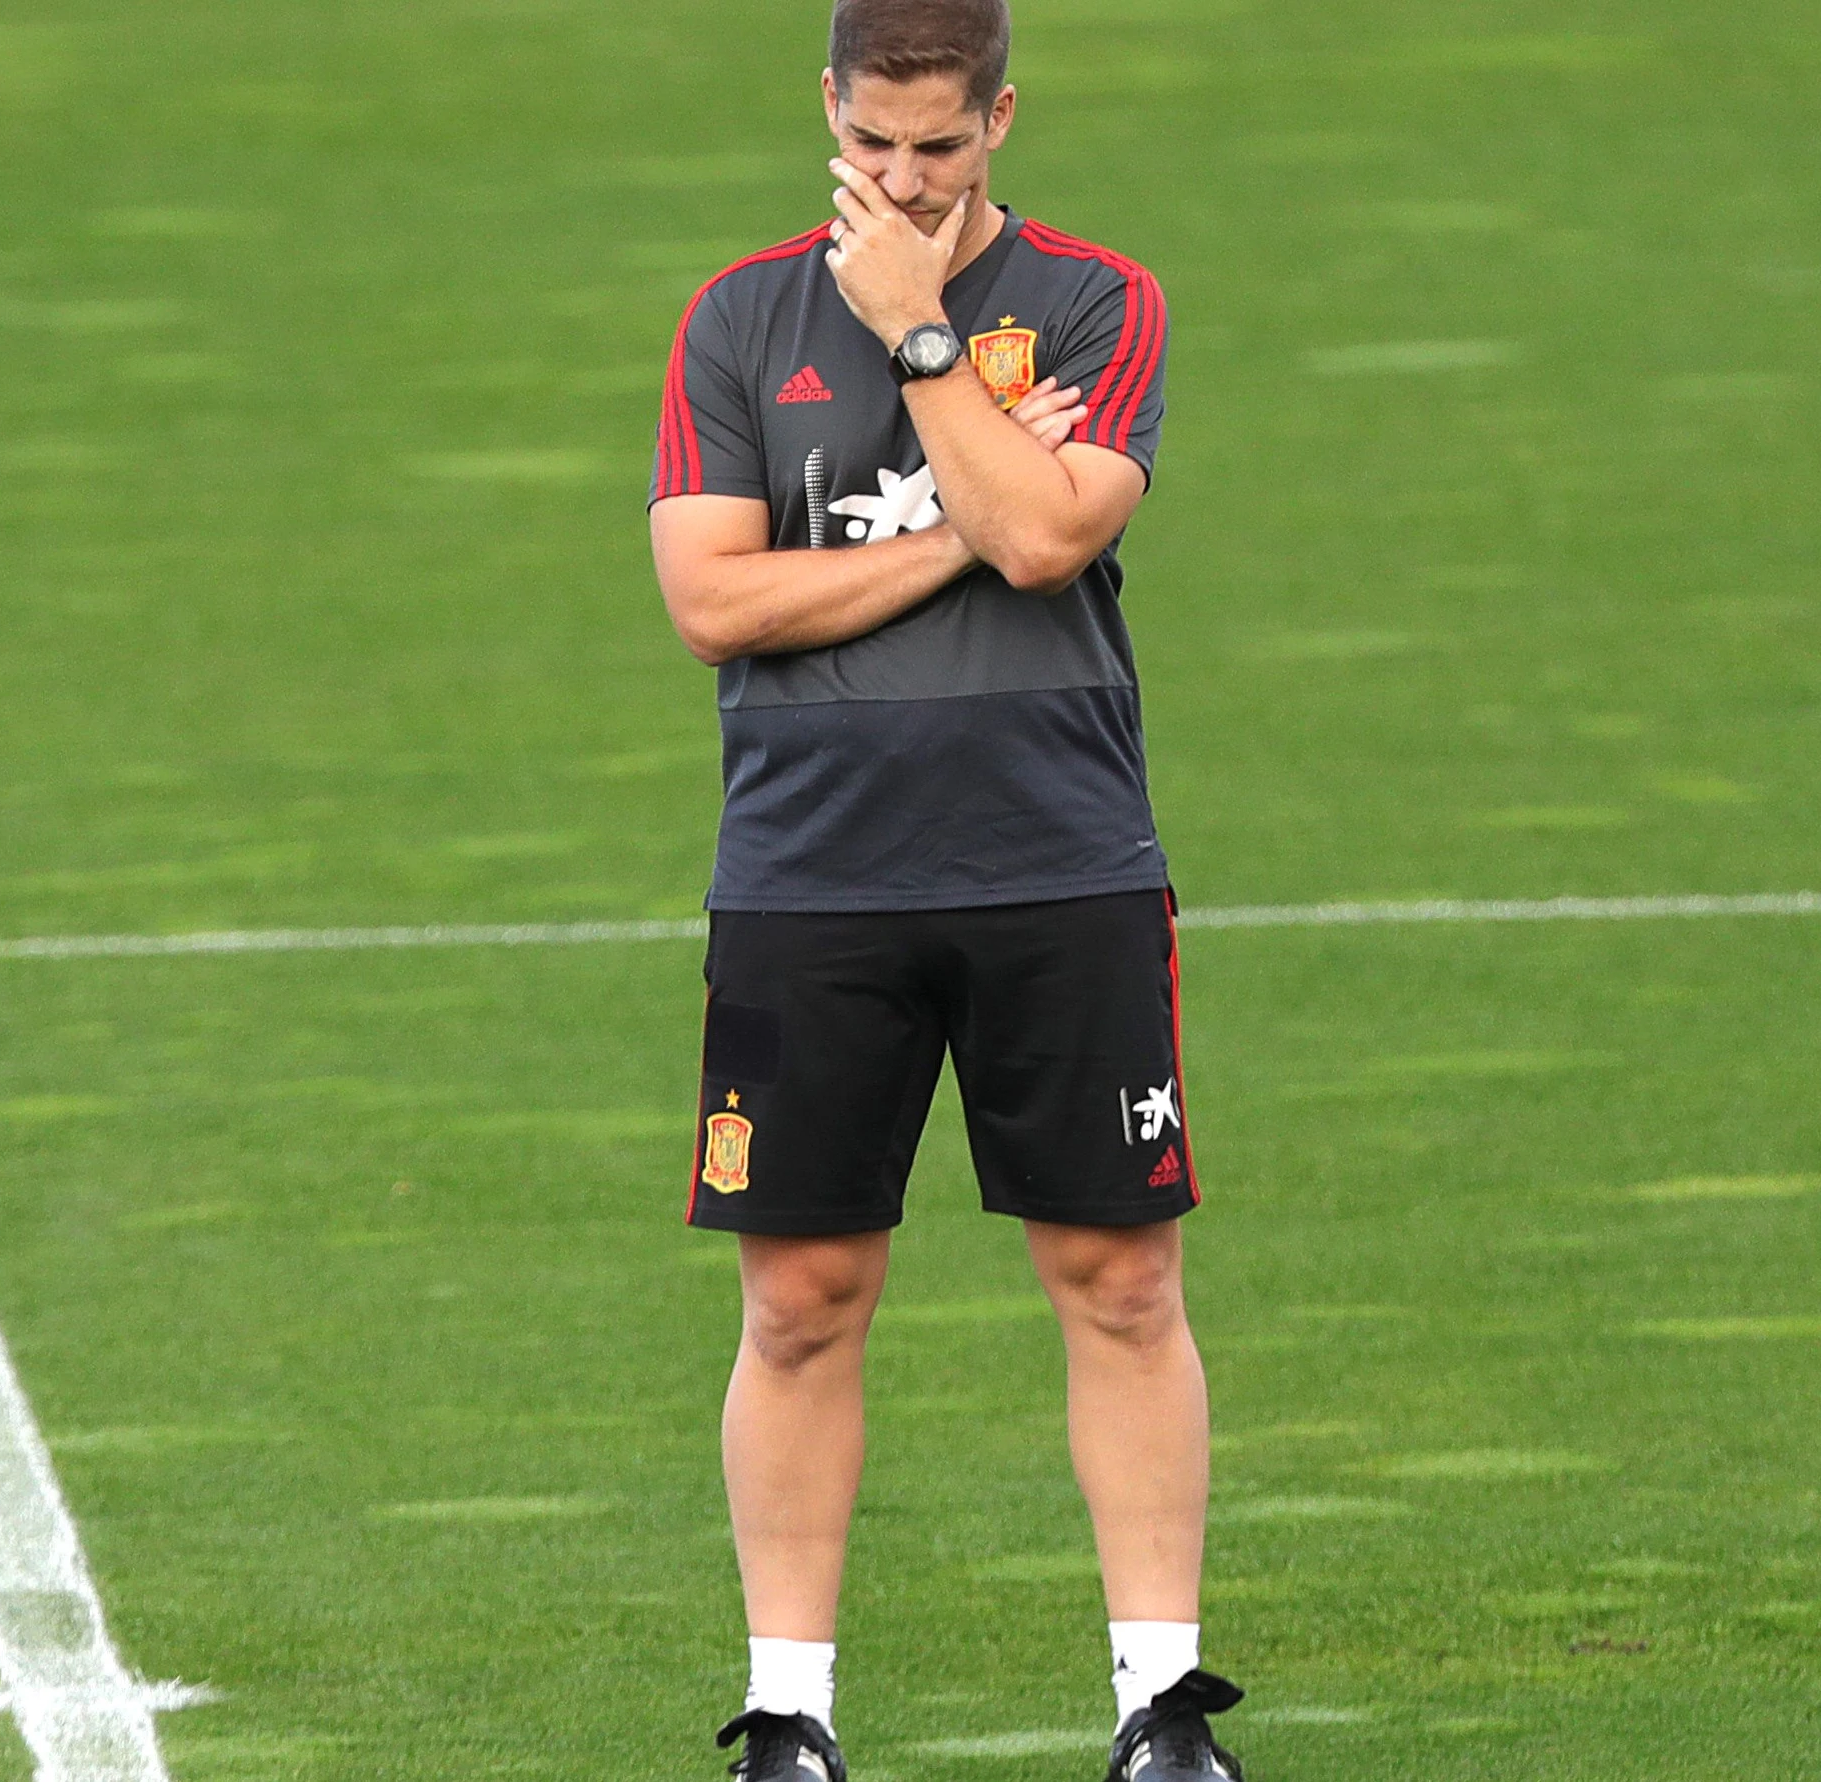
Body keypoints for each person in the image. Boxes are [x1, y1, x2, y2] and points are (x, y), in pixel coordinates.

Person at [645, 2, 1241, 1778]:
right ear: (829, 108)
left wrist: (917, 341)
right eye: (875, 144)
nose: (902, 180)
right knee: (801, 1294)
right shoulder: (735, 320)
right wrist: (964, 505)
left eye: (942, 145)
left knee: (1119, 1273)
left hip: (1060, 859)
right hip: (810, 873)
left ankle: (1158, 1705)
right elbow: (714, 607)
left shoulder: (1097, 302)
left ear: (1001, 121)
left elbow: (1060, 538)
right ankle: (789, 1719)